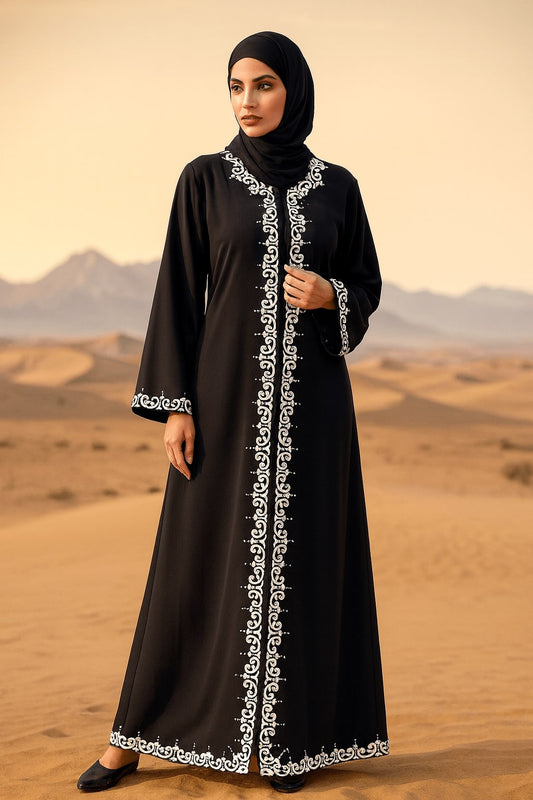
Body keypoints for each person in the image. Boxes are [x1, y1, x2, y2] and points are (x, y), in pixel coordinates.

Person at [77, 31, 388, 795]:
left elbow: (365, 285)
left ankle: (287, 745)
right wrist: (175, 408)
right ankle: (131, 737)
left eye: (263, 86)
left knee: (307, 568)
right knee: (189, 567)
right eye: (235, 87)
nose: (247, 102)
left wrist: (330, 296)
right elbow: (178, 296)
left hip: (314, 418)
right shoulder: (204, 180)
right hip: (222, 407)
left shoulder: (337, 186)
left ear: (295, 92)